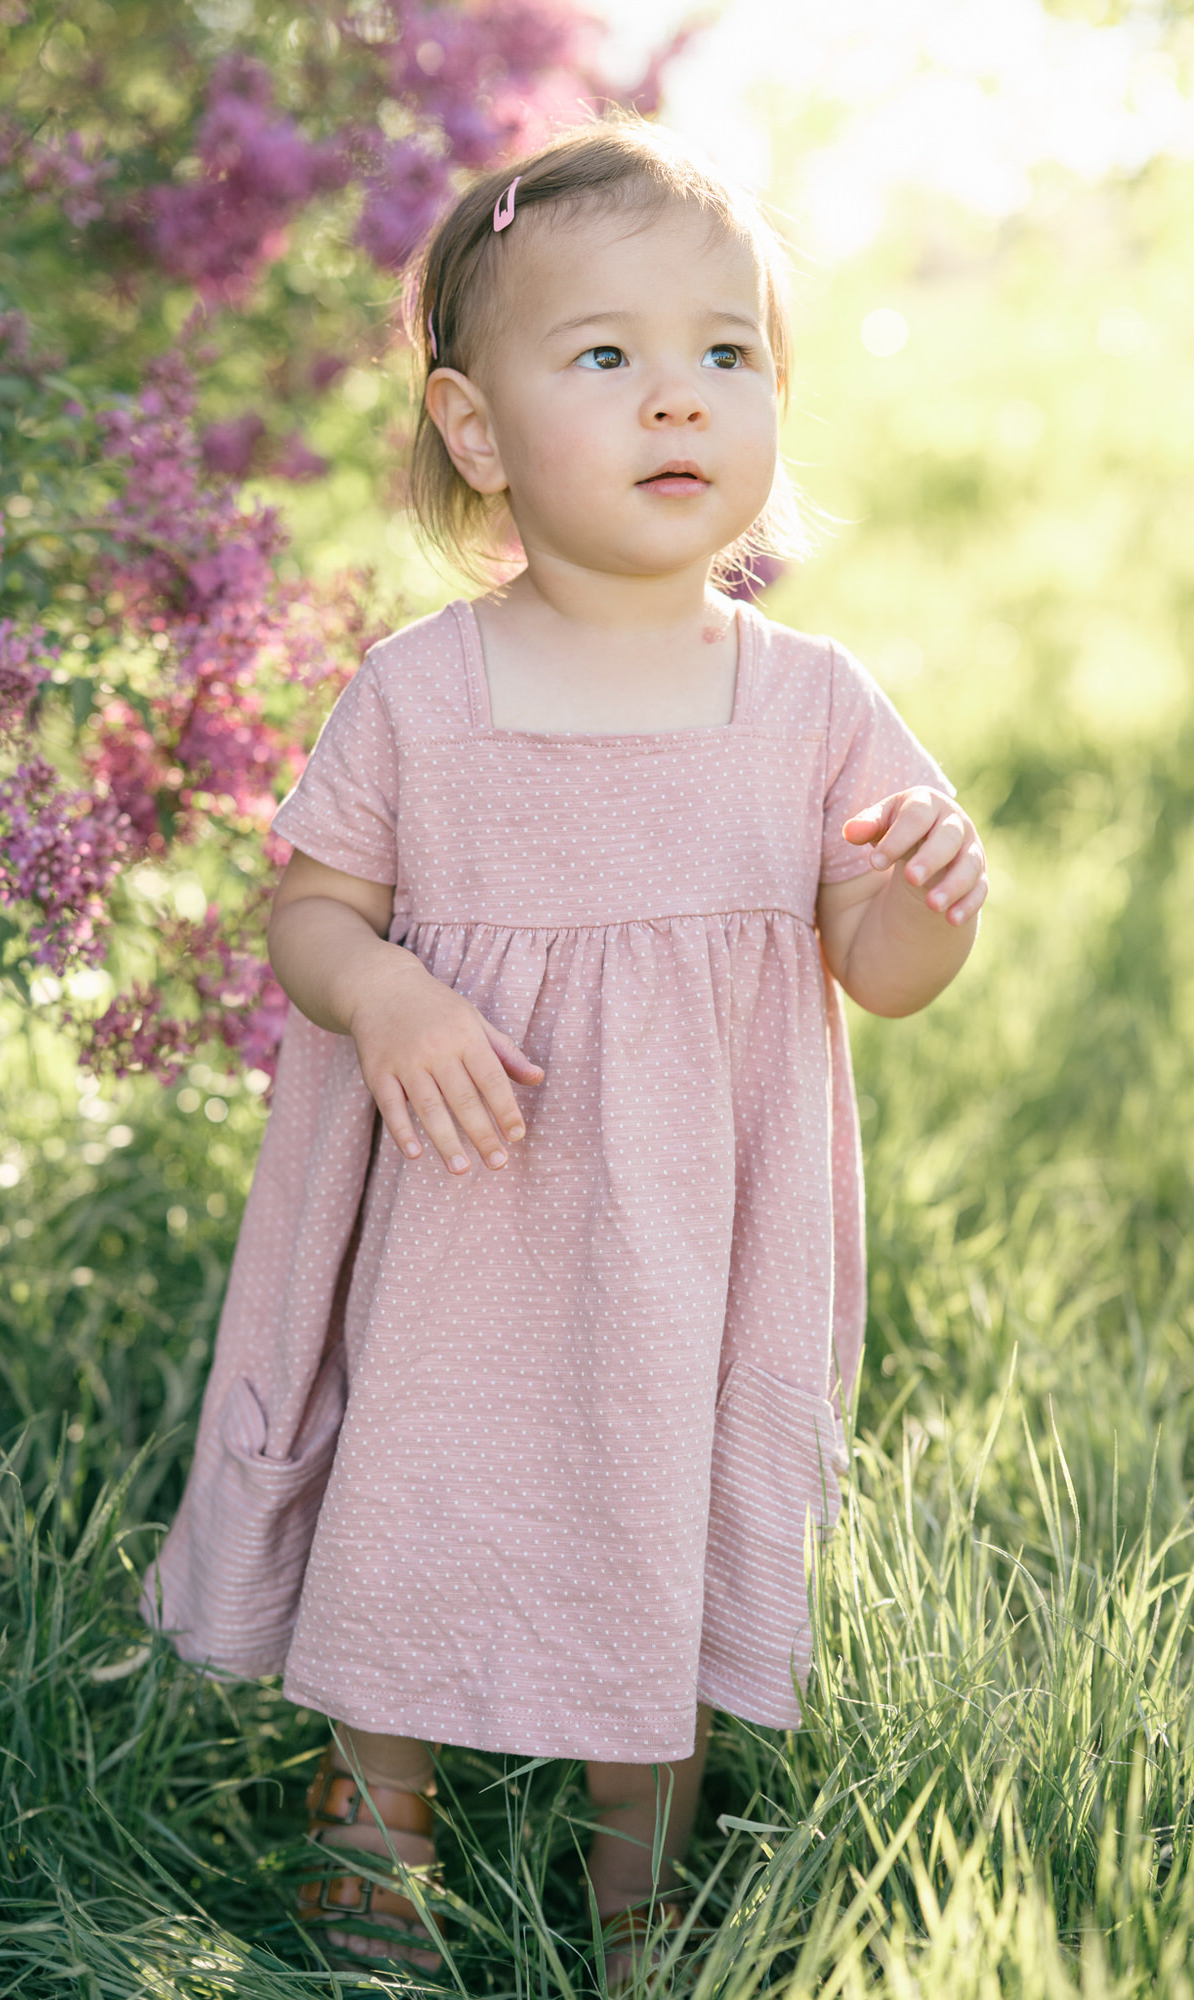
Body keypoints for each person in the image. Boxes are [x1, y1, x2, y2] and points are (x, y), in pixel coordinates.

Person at [142, 117, 988, 1977]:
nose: (677, 399)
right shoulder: (422, 693)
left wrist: (922, 894)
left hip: (688, 1239)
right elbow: (308, 910)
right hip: (460, 1221)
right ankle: (374, 1839)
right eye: (603, 356)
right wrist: (385, 991)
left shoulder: (812, 706)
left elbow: (881, 967)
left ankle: (642, 1893)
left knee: (657, 1518)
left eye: (725, 354)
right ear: (473, 428)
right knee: (414, 1496)